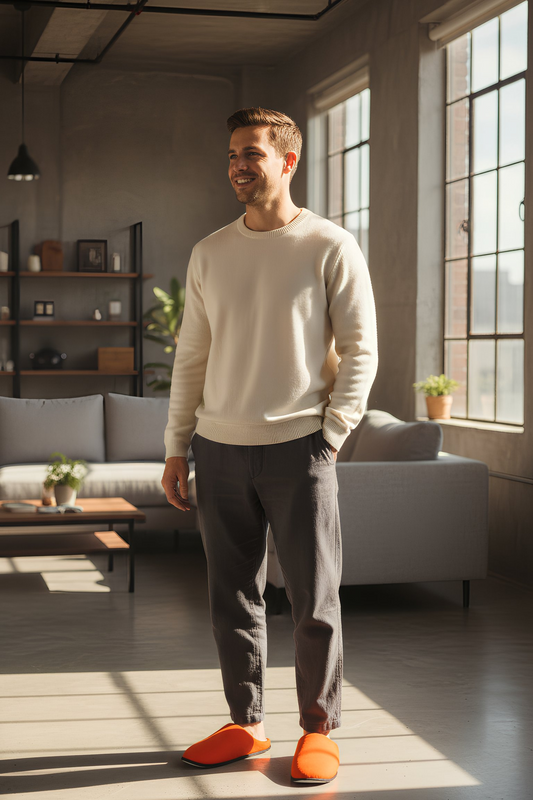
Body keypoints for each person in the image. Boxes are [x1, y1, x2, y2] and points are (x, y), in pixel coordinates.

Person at [162, 106, 378, 785]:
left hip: (299, 448)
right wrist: (177, 446)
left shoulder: (329, 245)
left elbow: (361, 348)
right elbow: (190, 357)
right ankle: (247, 724)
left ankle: (317, 729)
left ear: (287, 161)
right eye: (231, 153)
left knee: (313, 598)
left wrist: (332, 434)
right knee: (232, 596)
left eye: (251, 152)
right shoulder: (209, 253)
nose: (236, 164)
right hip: (218, 448)